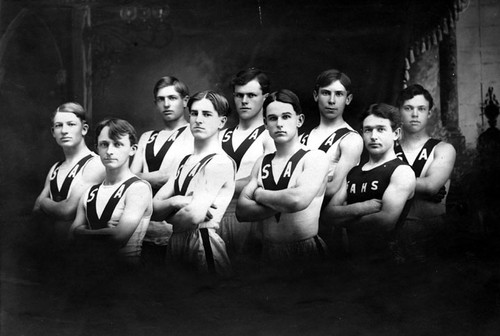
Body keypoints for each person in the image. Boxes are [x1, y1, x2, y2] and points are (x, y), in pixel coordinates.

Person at [236, 89, 329, 267]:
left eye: (286, 117)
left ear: (299, 120)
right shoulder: (262, 162)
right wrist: (282, 201)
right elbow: (242, 211)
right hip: (269, 252)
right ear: (265, 124)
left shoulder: (314, 157)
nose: (279, 124)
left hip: (305, 251)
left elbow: (296, 200)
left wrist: (259, 195)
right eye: (273, 118)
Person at [153, 90, 235, 276]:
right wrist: (175, 202)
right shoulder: (184, 162)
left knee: (206, 301)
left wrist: (167, 216)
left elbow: (193, 216)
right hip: (176, 242)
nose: (199, 120)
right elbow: (152, 209)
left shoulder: (219, 162)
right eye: (194, 113)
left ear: (221, 122)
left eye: (207, 114)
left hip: (202, 241)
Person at [324, 103, 415, 262]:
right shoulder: (354, 172)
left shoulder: (401, 171)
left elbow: (385, 222)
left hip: (387, 262)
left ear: (396, 133)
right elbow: (327, 215)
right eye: (368, 130)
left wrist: (342, 218)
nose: (373, 136)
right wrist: (362, 207)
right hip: (352, 260)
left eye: (381, 129)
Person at [69, 118, 152, 265]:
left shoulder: (138, 188)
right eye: (104, 144)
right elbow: (71, 238)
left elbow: (118, 238)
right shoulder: (89, 192)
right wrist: (106, 232)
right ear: (97, 148)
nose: (109, 151)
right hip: (90, 273)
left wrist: (82, 232)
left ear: (133, 149)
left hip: (125, 277)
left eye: (118, 144)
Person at [130, 76, 194, 265]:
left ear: (185, 101)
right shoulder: (147, 137)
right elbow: (129, 180)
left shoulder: (194, 133)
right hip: (143, 227)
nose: (166, 104)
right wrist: (153, 178)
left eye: (172, 98)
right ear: (155, 102)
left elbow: (178, 178)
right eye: (161, 99)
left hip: (174, 227)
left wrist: (143, 177)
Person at [299, 70, 363, 250]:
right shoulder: (303, 137)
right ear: (315, 96)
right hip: (300, 218)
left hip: (329, 221)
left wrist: (296, 188)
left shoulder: (350, 139)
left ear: (348, 99)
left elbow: (334, 187)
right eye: (326, 93)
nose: (332, 101)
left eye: (339, 94)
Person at [395, 84, 456, 261]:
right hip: (395, 231)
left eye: (421, 109)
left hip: (431, 232)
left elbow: (430, 186)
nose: (415, 114)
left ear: (429, 113)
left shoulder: (443, 149)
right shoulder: (387, 149)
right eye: (408, 108)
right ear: (399, 111)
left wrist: (388, 181)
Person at [219, 68, 275, 258]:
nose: (244, 101)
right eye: (239, 95)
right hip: (214, 216)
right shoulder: (219, 135)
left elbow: (262, 180)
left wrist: (217, 186)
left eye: (251, 95)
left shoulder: (271, 136)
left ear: (265, 97)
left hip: (250, 219)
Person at [33, 102, 105, 242]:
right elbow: (35, 212)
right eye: (59, 125)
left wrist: (43, 202)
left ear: (84, 129)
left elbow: (66, 210)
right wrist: (43, 205)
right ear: (53, 132)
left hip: (80, 251)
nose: (64, 131)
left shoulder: (95, 163)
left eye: (71, 124)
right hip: (52, 250)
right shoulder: (55, 168)